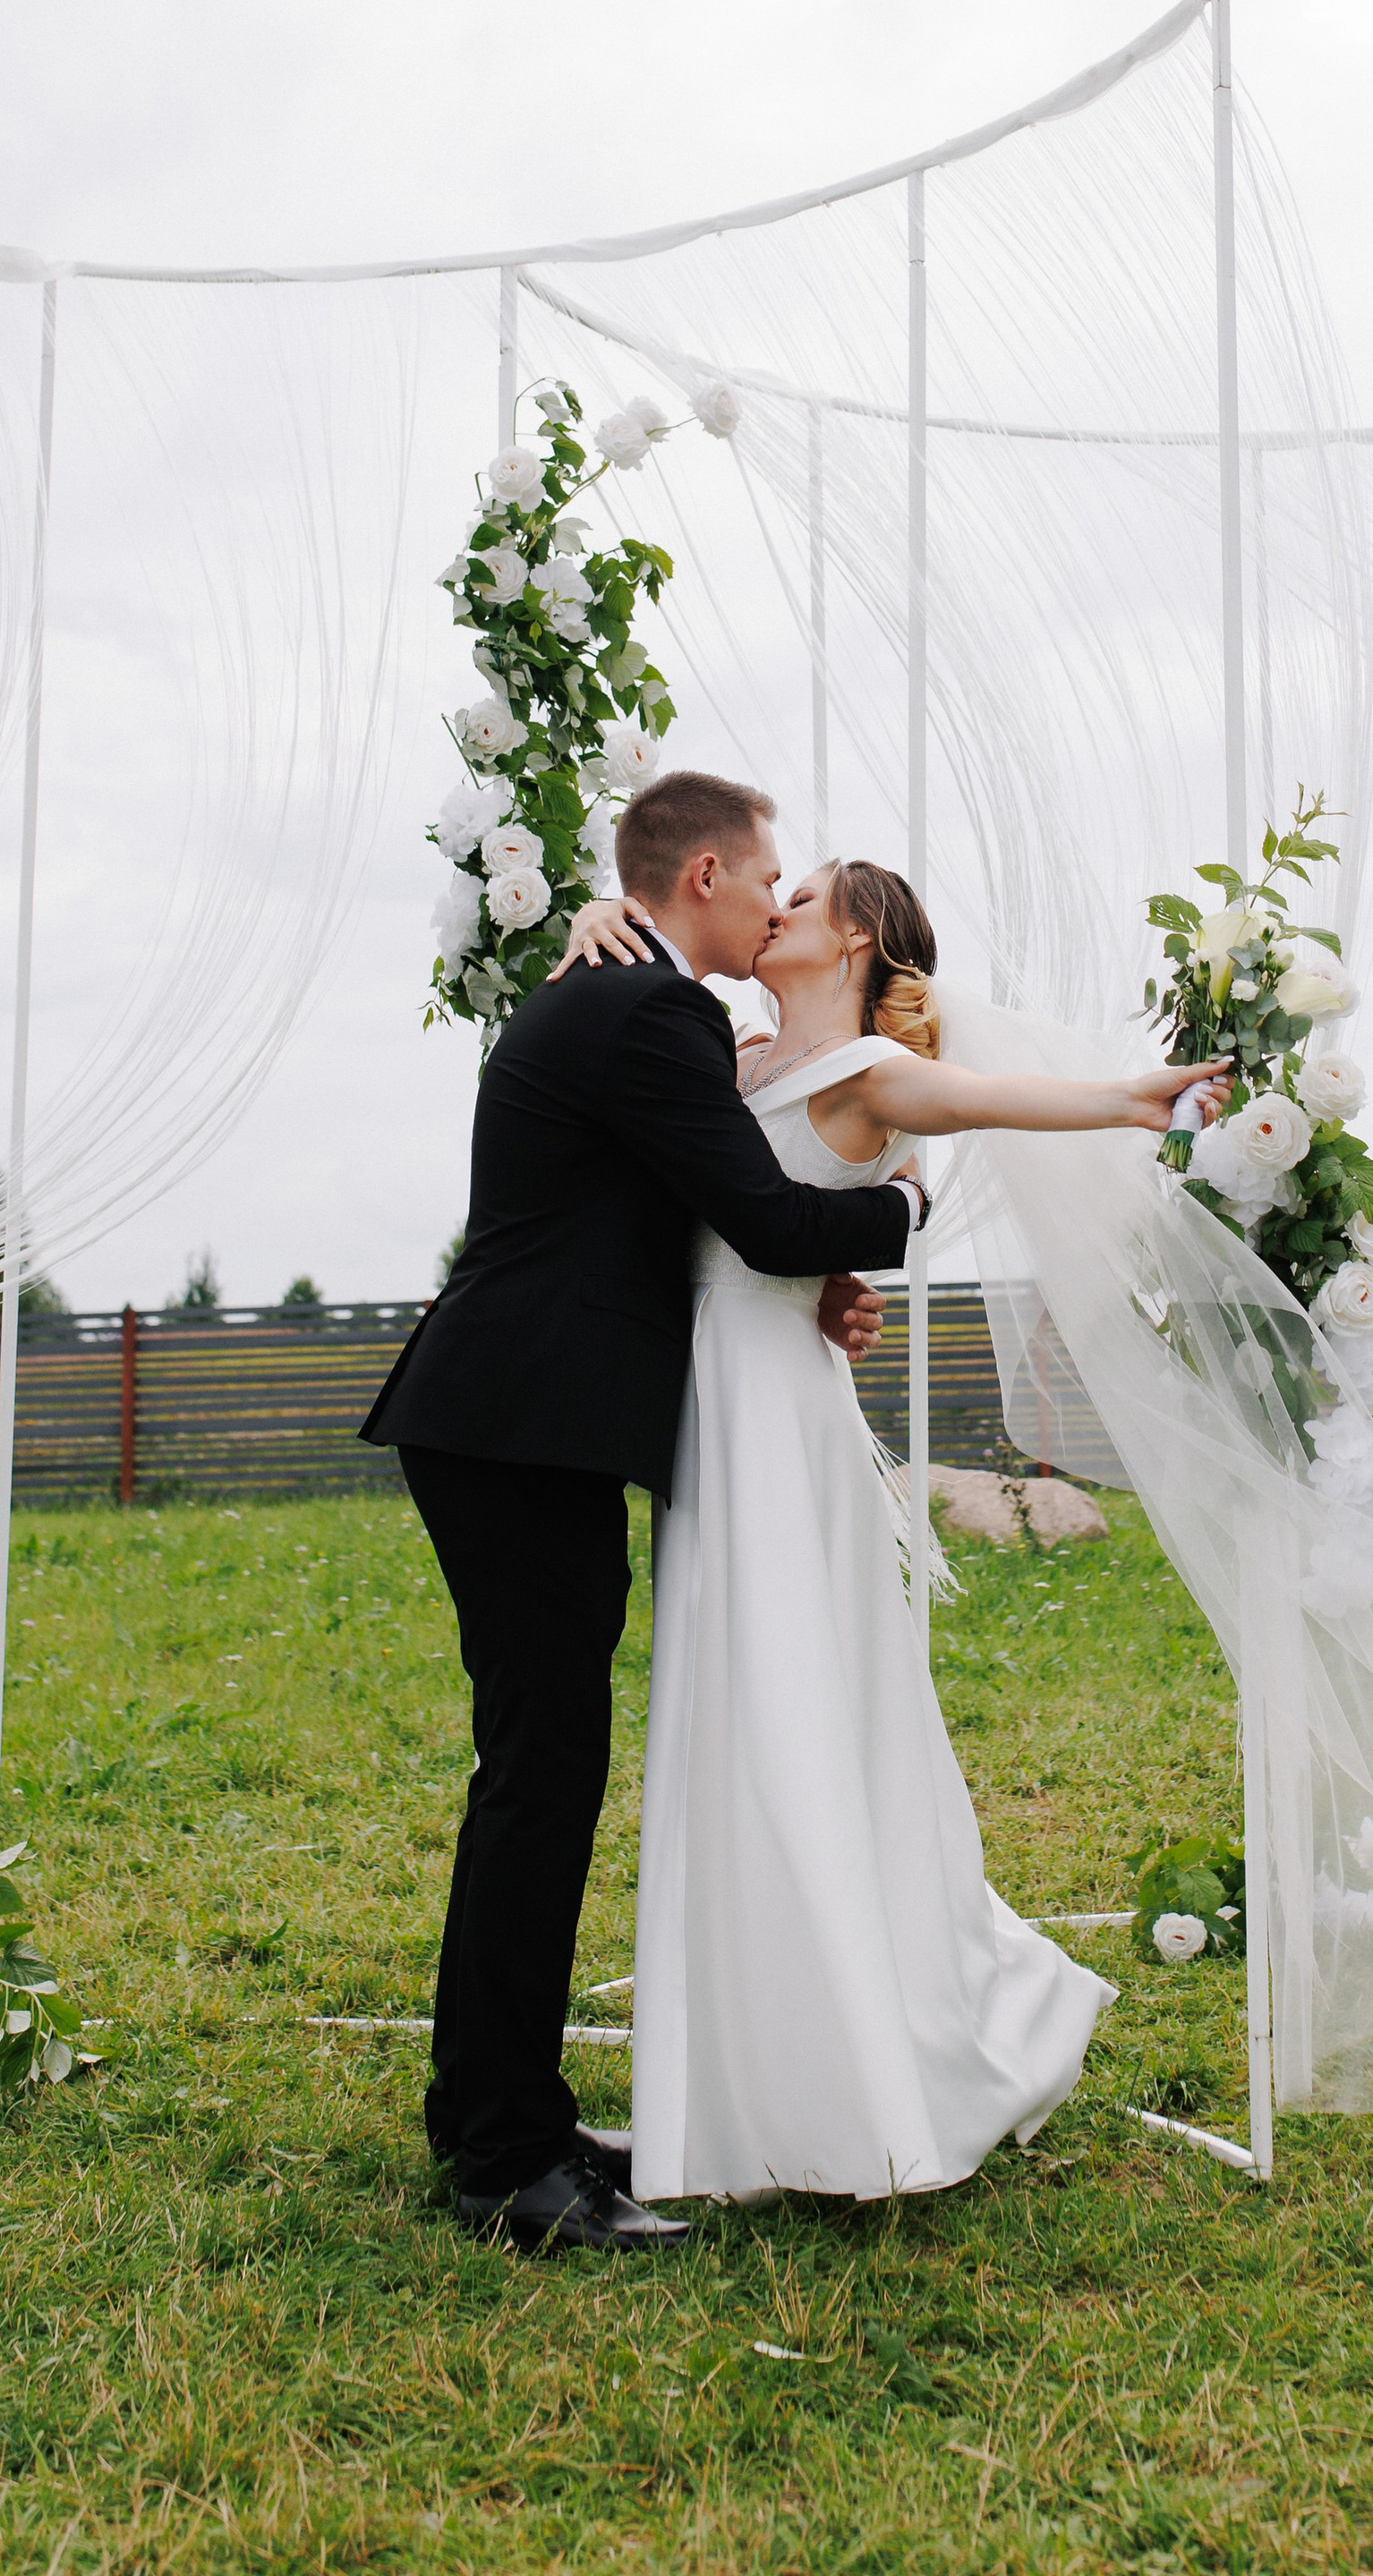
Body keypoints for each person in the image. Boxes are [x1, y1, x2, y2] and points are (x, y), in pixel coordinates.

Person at [553, 854, 1229, 2205]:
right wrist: (590, 916)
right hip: (708, 1416)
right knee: (731, 1726)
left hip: (787, 1433)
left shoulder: (868, 1071)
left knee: (805, 1713)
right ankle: (745, 2087)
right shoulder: (728, 1057)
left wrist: (1134, 1096)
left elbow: (991, 1098)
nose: (777, 905)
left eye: (800, 893)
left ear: (855, 932)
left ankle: (863, 2076)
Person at [359, 771, 925, 2254]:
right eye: (770, 876)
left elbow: (690, 1209)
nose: (776, 898)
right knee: (541, 1780)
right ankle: (505, 2162)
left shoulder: (623, 997)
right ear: (707, 879)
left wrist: (824, 1285)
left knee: (535, 1774)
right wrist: (907, 1215)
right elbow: (771, 1217)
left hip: (513, 1425)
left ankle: (504, 2113)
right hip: (516, 1432)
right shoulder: (651, 1008)